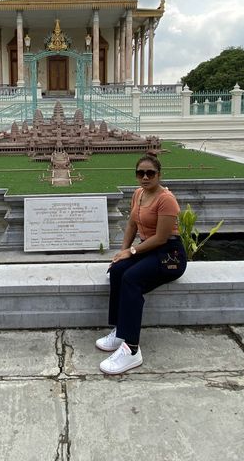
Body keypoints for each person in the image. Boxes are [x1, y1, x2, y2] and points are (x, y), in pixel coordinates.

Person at [96, 154, 187, 375]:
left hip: (170, 255)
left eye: (150, 173)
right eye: (140, 173)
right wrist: (122, 252)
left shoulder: (166, 199)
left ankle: (132, 349)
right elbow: (131, 226)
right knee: (117, 270)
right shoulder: (139, 194)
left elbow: (162, 238)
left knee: (131, 278)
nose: (145, 177)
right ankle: (120, 332)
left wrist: (132, 251)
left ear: (159, 175)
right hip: (149, 249)